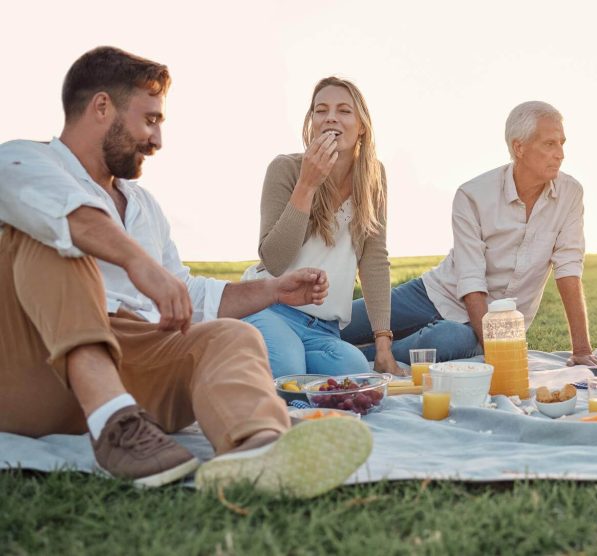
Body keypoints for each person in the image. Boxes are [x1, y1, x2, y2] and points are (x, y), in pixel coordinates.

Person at [0, 46, 371, 497]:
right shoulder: (22, 160)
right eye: (150, 120)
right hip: (34, 371)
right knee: (50, 236)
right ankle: (113, 423)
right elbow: (63, 212)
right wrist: (137, 262)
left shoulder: (142, 204)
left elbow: (192, 295)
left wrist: (272, 290)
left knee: (234, 336)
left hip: (135, 363)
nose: (157, 141)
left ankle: (258, 450)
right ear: (102, 107)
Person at [341, 101, 597, 366]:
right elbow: (471, 281)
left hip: (484, 327)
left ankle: (349, 359)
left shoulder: (570, 194)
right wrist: (497, 354)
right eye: (549, 144)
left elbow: (568, 269)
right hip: (433, 293)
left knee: (450, 340)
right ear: (519, 147)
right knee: (339, 321)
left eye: (562, 143)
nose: (560, 153)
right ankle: (324, 343)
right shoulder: (473, 194)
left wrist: (581, 350)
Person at [242, 77, 400, 378]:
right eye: (321, 110)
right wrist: (308, 183)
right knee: (289, 371)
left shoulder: (374, 178)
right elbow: (274, 261)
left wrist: (383, 344)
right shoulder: (285, 168)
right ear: (311, 121)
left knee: (354, 370)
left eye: (344, 110)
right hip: (270, 307)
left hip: (324, 329)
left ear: (362, 126)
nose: (330, 117)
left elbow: (375, 259)